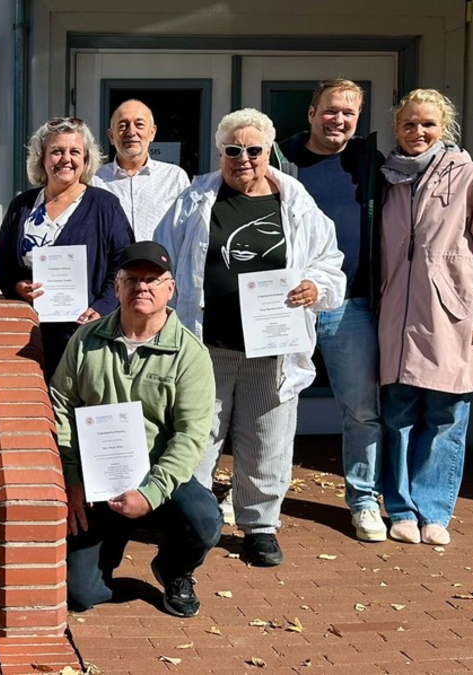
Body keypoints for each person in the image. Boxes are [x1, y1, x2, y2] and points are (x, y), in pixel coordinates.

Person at [154, 108, 345, 567]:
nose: (244, 158)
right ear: (220, 153)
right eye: (233, 150)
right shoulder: (195, 198)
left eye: (253, 150)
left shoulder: (295, 202)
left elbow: (328, 260)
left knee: (268, 437)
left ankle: (260, 526)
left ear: (268, 151)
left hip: (272, 347)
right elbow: (163, 253)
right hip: (207, 346)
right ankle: (192, 518)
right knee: (198, 436)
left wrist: (315, 287)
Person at [53, 241, 220, 618]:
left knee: (206, 521)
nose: (141, 288)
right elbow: (60, 406)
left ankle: (175, 570)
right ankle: (111, 576)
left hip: (155, 477)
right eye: (131, 279)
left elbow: (191, 436)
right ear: (117, 288)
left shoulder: (189, 353)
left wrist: (151, 492)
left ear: (169, 288)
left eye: (152, 280)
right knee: (81, 594)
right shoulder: (86, 340)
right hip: (94, 485)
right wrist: (73, 479)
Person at [378, 89, 473, 546]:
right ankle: (400, 508)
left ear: (444, 128)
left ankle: (433, 510)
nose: (418, 132)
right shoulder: (387, 179)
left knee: (445, 415)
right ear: (397, 127)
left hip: (451, 316)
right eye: (410, 123)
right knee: (397, 417)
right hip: (396, 316)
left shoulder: (471, 176)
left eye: (428, 124)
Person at [274, 79, 388, 542]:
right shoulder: (280, 160)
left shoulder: (368, 161)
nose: (338, 120)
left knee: (361, 408)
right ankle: (259, 493)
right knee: (272, 402)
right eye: (330, 110)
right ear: (311, 112)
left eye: (348, 113)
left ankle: (363, 501)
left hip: (349, 303)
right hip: (287, 303)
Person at [0, 117, 133, 377]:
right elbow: (1, 259)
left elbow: (124, 264)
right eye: (57, 151)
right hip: (30, 336)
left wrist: (102, 307)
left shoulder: (104, 205)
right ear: (42, 158)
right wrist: (16, 286)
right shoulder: (22, 205)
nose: (65, 159)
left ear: (86, 159)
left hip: (88, 335)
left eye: (74, 152)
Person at [91, 100, 190, 241]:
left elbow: (187, 232)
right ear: (111, 136)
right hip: (113, 263)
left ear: (152, 133)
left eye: (139, 125)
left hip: (161, 262)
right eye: (123, 125)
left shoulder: (174, 178)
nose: (131, 132)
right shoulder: (95, 180)